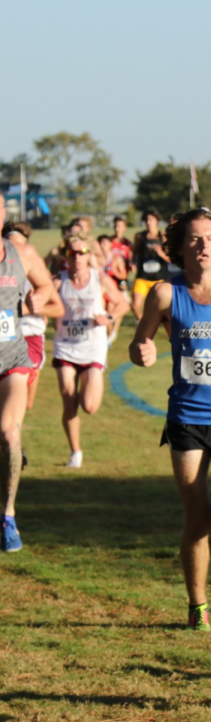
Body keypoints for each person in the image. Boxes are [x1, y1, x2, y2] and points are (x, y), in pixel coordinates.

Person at [129, 208, 211, 630]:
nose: (203, 245)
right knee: (195, 518)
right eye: (194, 239)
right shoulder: (166, 294)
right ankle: (197, 604)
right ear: (179, 246)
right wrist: (143, 352)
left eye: (210, 238)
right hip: (186, 417)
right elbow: (140, 341)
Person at [0, 208, 61, 549]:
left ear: (2, 214)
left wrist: (40, 296)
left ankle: (7, 517)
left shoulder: (20, 253)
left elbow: (47, 286)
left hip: (12, 359)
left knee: (10, 434)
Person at [54, 236, 129, 468]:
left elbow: (122, 304)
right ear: (66, 256)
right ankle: (75, 452)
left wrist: (108, 317)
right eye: (72, 253)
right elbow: (39, 298)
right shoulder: (58, 281)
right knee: (68, 400)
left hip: (93, 347)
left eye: (81, 252)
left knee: (89, 406)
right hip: (65, 346)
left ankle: (91, 385)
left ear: (89, 255)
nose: (77, 257)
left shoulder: (100, 279)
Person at [131, 210, 170, 319]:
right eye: (146, 220)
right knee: (135, 305)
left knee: (162, 307)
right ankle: (142, 323)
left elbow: (170, 258)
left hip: (158, 278)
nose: (148, 222)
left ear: (157, 221)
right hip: (142, 277)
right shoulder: (139, 236)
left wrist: (160, 253)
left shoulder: (163, 236)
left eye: (151, 219)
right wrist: (133, 263)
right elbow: (135, 253)